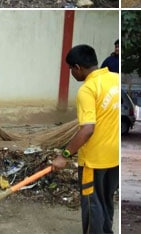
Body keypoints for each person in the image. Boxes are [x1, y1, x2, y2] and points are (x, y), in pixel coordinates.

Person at [52, 45, 119, 234]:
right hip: (115, 157)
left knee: (92, 204)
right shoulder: (115, 79)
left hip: (94, 160)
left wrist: (64, 155)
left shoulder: (87, 90)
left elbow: (88, 129)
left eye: (71, 70)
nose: (72, 74)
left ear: (77, 67)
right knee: (107, 199)